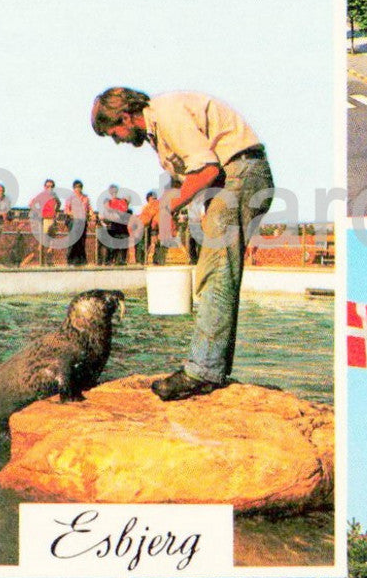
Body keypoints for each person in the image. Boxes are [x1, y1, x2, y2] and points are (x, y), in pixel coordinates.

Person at [91, 87, 274, 401]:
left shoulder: (167, 113)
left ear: (124, 116)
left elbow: (207, 169)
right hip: (230, 177)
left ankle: (202, 372)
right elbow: (187, 177)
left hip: (238, 173)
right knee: (216, 270)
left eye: (114, 132)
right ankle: (211, 366)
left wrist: (159, 208)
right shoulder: (157, 131)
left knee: (215, 272)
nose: (118, 139)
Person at [25, 178, 61, 267]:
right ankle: (41, 260)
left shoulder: (54, 195)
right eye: (48, 186)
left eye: (51, 186)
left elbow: (59, 203)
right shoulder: (41, 195)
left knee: (51, 242)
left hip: (52, 219)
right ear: (44, 187)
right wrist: (39, 211)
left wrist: (55, 211)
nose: (50, 188)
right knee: (44, 241)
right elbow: (31, 204)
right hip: (45, 219)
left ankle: (48, 261)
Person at [100, 185, 132, 265]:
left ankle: (121, 260)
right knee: (112, 244)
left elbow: (124, 210)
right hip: (113, 225)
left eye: (115, 190)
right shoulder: (108, 201)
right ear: (110, 192)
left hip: (121, 226)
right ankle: (109, 260)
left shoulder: (121, 201)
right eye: (112, 191)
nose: (114, 192)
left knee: (123, 242)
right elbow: (107, 210)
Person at [64, 180, 91, 267]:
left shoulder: (85, 198)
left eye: (79, 187)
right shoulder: (70, 198)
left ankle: (81, 261)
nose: (78, 189)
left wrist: (92, 214)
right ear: (73, 188)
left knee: (81, 241)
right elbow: (66, 210)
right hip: (73, 220)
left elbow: (89, 209)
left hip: (82, 221)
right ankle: (71, 260)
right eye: (76, 187)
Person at [136, 190, 161, 266]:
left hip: (155, 226)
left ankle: (156, 260)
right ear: (148, 199)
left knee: (157, 243)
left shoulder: (158, 206)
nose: (154, 200)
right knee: (143, 244)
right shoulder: (146, 207)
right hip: (145, 227)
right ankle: (141, 260)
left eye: (155, 198)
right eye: (153, 198)